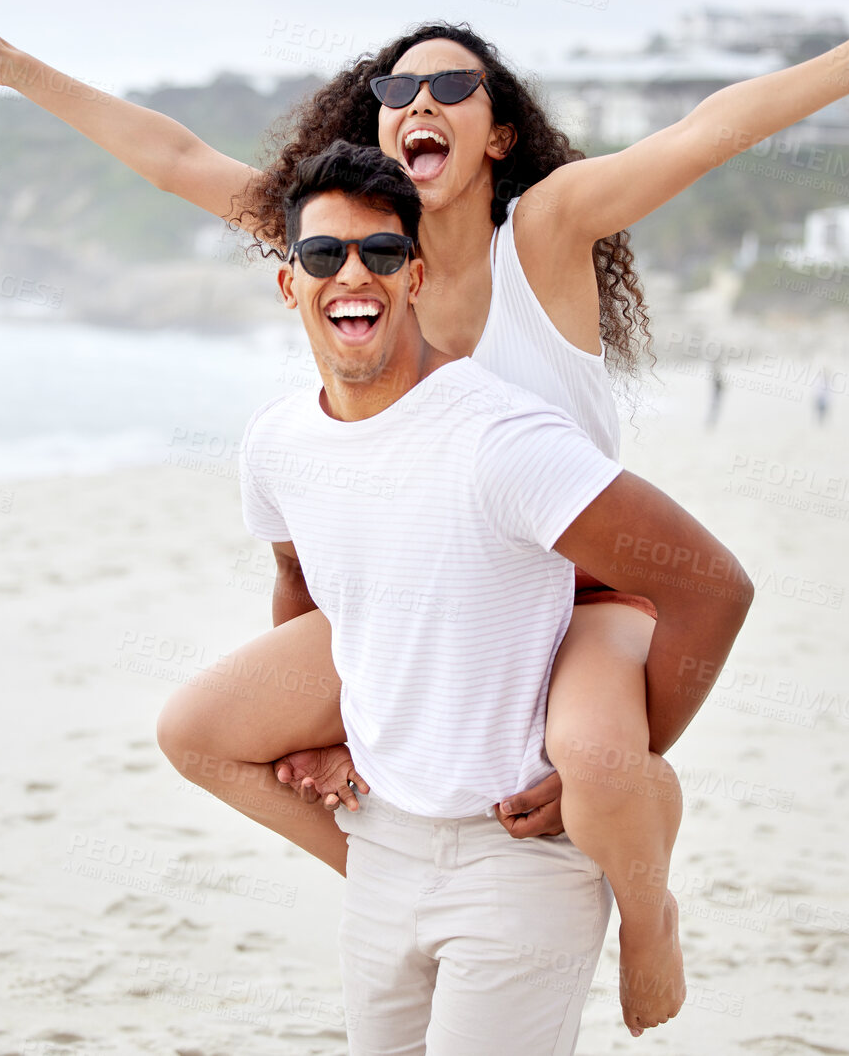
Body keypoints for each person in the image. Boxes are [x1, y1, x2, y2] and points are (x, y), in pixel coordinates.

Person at [0, 0, 849, 1034]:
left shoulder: (543, 231)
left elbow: (703, 132)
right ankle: (406, 877)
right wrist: (15, 66)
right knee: (201, 730)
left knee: (597, 765)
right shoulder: (355, 249)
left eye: (453, 87)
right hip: (428, 592)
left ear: (496, 132)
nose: (420, 102)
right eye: (398, 89)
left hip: (581, 589)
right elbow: (172, 155)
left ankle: (649, 911)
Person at [244, 140, 750, 1052]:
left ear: (415, 277)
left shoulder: (501, 439)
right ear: (290, 284)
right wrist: (321, 735)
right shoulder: (276, 444)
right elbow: (298, 581)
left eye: (381, 254)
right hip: (383, 844)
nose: (350, 272)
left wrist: (624, 766)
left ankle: (648, 905)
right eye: (323, 255)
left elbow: (711, 587)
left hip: (517, 855)